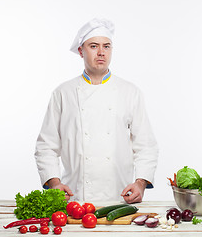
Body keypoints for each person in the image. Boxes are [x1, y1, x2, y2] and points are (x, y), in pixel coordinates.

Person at [34, 18, 158, 204]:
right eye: (93, 46)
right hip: (75, 198)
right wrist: (54, 182)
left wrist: (140, 183)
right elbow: (46, 146)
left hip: (121, 198)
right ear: (81, 51)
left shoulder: (130, 92)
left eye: (106, 46)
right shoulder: (63, 93)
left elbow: (146, 146)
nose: (101, 52)